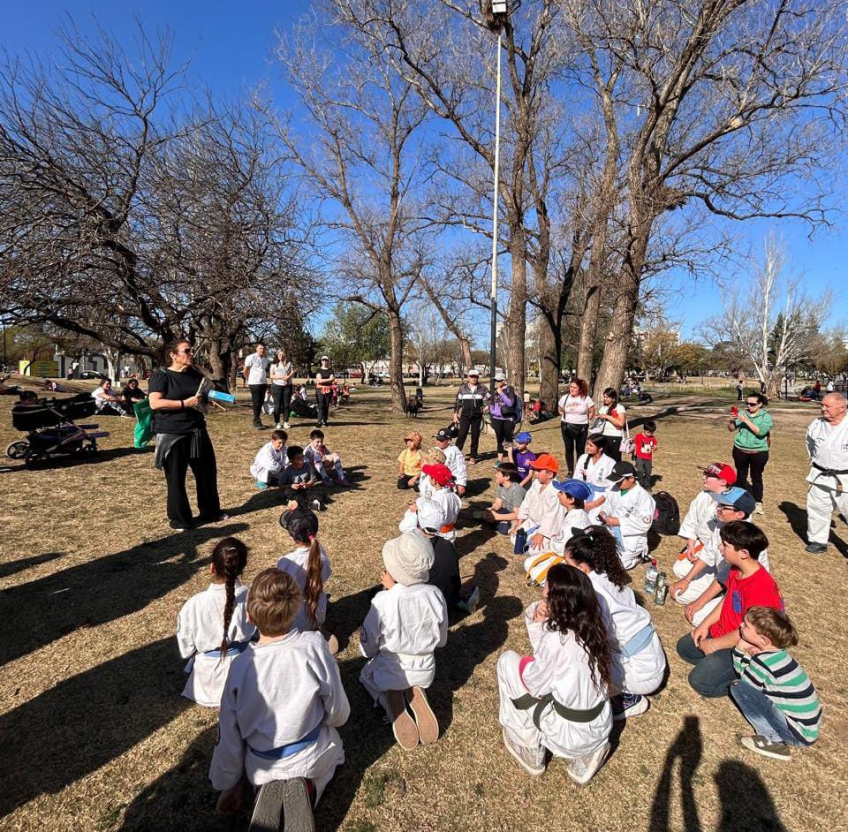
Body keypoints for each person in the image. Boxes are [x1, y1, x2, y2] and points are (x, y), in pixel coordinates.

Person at [210, 568, 349, 826]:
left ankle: (263, 789)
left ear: (249, 617)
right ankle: (311, 789)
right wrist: (334, 720)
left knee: (268, 770)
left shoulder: (240, 667)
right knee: (335, 751)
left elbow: (229, 731)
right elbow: (338, 709)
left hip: (261, 763)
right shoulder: (314, 646)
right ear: (296, 609)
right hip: (310, 752)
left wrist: (228, 783)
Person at [496, 564, 612, 784]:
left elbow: (535, 684)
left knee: (508, 661)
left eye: (546, 587)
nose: (543, 591)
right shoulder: (596, 623)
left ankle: (528, 747)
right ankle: (591, 751)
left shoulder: (558, 639)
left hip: (567, 734)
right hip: (599, 724)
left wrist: (539, 627)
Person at [563, 528, 667, 720]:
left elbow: (590, 638)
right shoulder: (607, 573)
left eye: (568, 564)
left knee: (577, 664)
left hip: (641, 673)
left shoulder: (593, 593)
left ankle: (628, 699)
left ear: (583, 568)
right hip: (648, 657)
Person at [359, 533, 448, 750]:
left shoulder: (383, 601)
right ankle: (415, 692)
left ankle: (390, 704)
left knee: (365, 675)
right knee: (408, 677)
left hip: (390, 669)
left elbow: (367, 648)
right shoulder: (436, 594)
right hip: (426, 670)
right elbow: (442, 641)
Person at [676, 521, 783, 698]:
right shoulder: (736, 569)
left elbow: (751, 633)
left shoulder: (760, 590)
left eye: (725, 545)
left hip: (745, 643)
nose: (720, 548)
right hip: (725, 631)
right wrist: (705, 625)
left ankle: (746, 678)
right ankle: (716, 663)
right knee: (685, 648)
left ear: (744, 553)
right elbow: (728, 599)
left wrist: (713, 644)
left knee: (700, 682)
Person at [149, 340, 225, 532]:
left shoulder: (195, 375)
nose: (191, 354)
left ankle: (210, 511)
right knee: (176, 477)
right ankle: (179, 519)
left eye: (191, 350)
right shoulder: (161, 376)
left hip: (197, 429)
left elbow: (203, 397)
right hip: (172, 432)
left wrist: (209, 402)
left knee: (206, 472)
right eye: (187, 351)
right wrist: (184, 403)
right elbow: (155, 403)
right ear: (173, 355)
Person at [730, 606, 821, 760]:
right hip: (807, 729)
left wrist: (740, 650)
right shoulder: (779, 656)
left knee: (738, 688)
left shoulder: (765, 662)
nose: (740, 625)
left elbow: (745, 678)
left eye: (746, 626)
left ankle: (773, 740)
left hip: (796, 733)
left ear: (763, 640)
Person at [176, 536, 255, 707]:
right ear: (242, 569)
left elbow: (186, 649)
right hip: (246, 672)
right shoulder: (254, 598)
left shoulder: (194, 604)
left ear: (212, 568)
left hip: (206, 682)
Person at [278, 503, 337, 653]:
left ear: (292, 537)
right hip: (317, 610)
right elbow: (327, 573)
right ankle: (317, 632)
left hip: (295, 617)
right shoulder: (321, 555)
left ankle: (302, 640)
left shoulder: (286, 561)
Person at [804, 392, 848, 554]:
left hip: (845, 476)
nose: (823, 409)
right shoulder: (816, 424)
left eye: (827, 406)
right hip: (820, 474)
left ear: (842, 407)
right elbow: (809, 445)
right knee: (817, 508)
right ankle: (818, 540)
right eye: (822, 405)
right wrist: (816, 464)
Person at [594, 461, 655, 569]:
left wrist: (619, 522)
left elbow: (644, 524)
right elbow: (608, 504)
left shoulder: (644, 498)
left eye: (619, 481)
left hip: (631, 537)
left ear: (631, 478)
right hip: (611, 529)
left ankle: (638, 558)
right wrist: (604, 512)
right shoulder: (615, 489)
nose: (617, 484)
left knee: (617, 564)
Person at [728, 392, 772, 515]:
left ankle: (758, 502)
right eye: (747, 403)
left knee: (756, 477)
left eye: (752, 404)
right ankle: (738, 500)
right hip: (740, 450)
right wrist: (732, 420)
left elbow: (761, 432)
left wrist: (745, 421)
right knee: (741, 476)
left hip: (758, 452)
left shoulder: (766, 417)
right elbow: (731, 429)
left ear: (760, 404)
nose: (749, 406)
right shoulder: (742, 413)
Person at [513, 454, 565, 553]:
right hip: (532, 521)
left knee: (535, 548)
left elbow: (552, 517)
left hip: (546, 528)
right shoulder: (537, 483)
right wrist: (519, 523)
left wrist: (541, 534)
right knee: (515, 537)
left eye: (539, 471)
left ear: (549, 474)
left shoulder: (556, 491)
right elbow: (526, 502)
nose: (536, 473)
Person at [574, 434, 617, 521]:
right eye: (587, 444)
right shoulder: (583, 458)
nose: (587, 447)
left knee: (594, 521)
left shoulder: (610, 463)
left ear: (600, 449)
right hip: (583, 494)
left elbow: (611, 488)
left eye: (591, 445)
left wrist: (595, 504)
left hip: (601, 498)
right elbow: (577, 479)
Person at [557, 378, 595, 476]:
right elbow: (560, 410)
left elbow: (591, 411)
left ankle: (579, 470)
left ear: (580, 388)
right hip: (566, 426)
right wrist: (567, 418)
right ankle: (570, 471)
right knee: (568, 448)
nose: (571, 389)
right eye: (570, 387)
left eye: (574, 387)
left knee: (580, 449)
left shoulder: (586, 398)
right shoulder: (564, 398)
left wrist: (586, 421)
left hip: (581, 427)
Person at [453, 369, 490, 464]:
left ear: (478, 378)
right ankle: (455, 455)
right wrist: (455, 415)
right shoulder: (463, 388)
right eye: (471, 376)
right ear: (468, 377)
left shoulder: (483, 388)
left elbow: (491, 398)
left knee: (475, 436)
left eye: (475, 377)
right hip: (465, 416)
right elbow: (458, 402)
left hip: (477, 416)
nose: (473, 378)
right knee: (461, 435)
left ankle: (473, 456)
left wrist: (488, 407)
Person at [481, 462, 526, 534]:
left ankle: (509, 527)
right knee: (487, 516)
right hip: (507, 511)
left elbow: (517, 514)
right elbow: (498, 504)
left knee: (503, 529)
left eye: (498, 474)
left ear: (507, 477)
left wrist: (497, 517)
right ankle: (501, 523)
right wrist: (491, 509)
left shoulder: (516, 490)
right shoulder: (501, 485)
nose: (495, 475)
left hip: (518, 516)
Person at [549, 480, 592, 553]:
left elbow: (561, 548)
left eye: (561, 493)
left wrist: (553, 540)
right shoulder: (579, 514)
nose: (558, 494)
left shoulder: (574, 521)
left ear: (571, 499)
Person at [279, 446, 323, 512]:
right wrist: (291, 486)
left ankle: (298, 502)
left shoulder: (308, 466)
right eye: (298, 458)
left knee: (321, 495)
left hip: (305, 490)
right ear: (291, 460)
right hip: (293, 491)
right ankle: (309, 504)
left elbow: (313, 480)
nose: (301, 459)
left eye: (302, 456)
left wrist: (307, 484)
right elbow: (281, 485)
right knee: (289, 493)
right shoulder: (288, 471)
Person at [488, 372, 520, 463]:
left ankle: (511, 460)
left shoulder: (509, 389)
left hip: (508, 419)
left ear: (504, 381)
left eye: (499, 380)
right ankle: (500, 460)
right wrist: (493, 412)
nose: (497, 382)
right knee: (499, 439)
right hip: (497, 419)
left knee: (508, 439)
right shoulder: (494, 391)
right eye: (496, 380)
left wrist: (501, 393)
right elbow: (491, 403)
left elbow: (510, 403)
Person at [595, 388, 627, 462]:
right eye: (604, 397)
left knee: (615, 459)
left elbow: (621, 423)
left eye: (607, 397)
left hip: (615, 436)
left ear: (613, 398)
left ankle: (616, 473)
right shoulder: (603, 408)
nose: (605, 399)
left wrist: (607, 416)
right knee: (604, 459)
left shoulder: (619, 408)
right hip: (604, 435)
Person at [244, 343, 271, 430]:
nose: (262, 350)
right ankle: (256, 422)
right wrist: (248, 380)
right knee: (256, 402)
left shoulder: (265, 359)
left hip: (263, 382)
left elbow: (264, 370)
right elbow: (245, 370)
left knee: (261, 402)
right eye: (260, 348)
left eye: (263, 348)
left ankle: (258, 419)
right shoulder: (251, 357)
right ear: (256, 349)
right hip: (254, 382)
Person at [433, 428, 467, 496]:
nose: (438, 442)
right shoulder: (435, 450)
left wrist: (461, 484)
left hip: (451, 479)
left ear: (448, 441)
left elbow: (461, 468)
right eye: (437, 439)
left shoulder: (454, 450)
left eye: (441, 440)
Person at [270, 349, 295, 430]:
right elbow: (271, 376)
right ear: (277, 355)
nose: (281, 356)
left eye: (282, 354)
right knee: (277, 405)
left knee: (286, 405)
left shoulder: (289, 363)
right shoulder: (274, 364)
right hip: (277, 386)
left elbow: (292, 371)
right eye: (279, 354)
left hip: (287, 386)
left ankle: (286, 421)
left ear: (285, 355)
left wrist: (288, 377)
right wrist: (280, 377)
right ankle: (277, 422)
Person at [632, 420, 658, 491]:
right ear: (643, 430)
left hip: (648, 458)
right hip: (639, 457)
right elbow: (634, 444)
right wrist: (633, 452)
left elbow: (654, 446)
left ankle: (647, 484)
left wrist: (654, 448)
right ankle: (641, 483)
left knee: (648, 471)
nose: (649, 434)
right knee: (640, 470)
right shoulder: (638, 436)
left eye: (651, 432)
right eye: (648, 432)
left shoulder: (653, 438)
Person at [314, 356, 335, 427]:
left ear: (328, 361)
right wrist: (328, 380)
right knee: (320, 405)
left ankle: (324, 421)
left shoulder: (330, 370)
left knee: (326, 405)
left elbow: (332, 379)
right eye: (323, 360)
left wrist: (323, 380)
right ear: (321, 361)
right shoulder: (319, 370)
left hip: (329, 389)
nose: (325, 361)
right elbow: (319, 380)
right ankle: (319, 421)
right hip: (320, 389)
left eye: (326, 360)